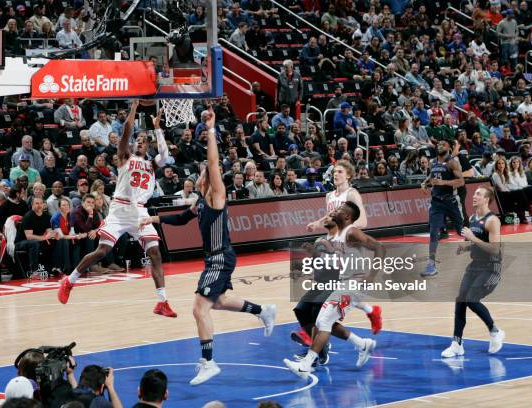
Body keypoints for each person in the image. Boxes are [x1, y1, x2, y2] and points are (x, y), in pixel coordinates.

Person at [140, 107, 276, 385]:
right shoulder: (199, 203)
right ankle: (263, 311)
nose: (200, 177)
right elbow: (179, 219)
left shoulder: (216, 197)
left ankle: (209, 362)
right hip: (216, 259)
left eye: (204, 175)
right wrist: (152, 218)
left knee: (199, 308)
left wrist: (211, 131)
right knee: (219, 301)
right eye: (200, 176)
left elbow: (214, 165)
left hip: (220, 258)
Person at [58, 102, 177, 318]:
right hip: (120, 210)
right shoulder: (125, 157)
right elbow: (126, 132)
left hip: (140, 211)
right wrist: (133, 108)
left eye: (144, 142)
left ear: (148, 147)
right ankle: (69, 280)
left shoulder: (153, 164)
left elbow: (166, 154)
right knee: (102, 251)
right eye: (138, 142)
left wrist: (157, 128)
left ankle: (162, 302)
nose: (140, 144)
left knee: (155, 254)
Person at [284, 203, 382, 378]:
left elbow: (379, 249)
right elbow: (335, 263)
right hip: (343, 284)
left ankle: (307, 365)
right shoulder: (338, 237)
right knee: (323, 321)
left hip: (354, 285)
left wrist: (372, 276)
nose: (333, 211)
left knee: (323, 321)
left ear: (347, 217)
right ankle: (362, 345)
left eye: (338, 210)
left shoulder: (352, 232)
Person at [301, 161, 381, 340]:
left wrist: (343, 229)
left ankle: (312, 330)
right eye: (334, 171)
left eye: (339, 171)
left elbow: (363, 222)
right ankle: (371, 311)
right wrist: (318, 223)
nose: (335, 174)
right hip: (334, 247)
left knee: (334, 287)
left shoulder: (352, 194)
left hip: (350, 248)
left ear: (348, 175)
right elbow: (330, 216)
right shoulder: (329, 196)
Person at [441, 186, 505, 358]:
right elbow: (477, 243)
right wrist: (466, 247)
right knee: (460, 300)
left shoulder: (492, 221)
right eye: (475, 193)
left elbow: (494, 249)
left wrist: (472, 238)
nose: (474, 196)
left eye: (479, 194)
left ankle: (495, 331)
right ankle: (457, 343)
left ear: (486, 199)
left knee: (471, 299)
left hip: (491, 268)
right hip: (475, 265)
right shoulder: (472, 217)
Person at [421, 140, 465, 276]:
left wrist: (443, 182)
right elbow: (431, 177)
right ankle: (431, 265)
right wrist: (425, 183)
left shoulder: (452, 162)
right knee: (433, 233)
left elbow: (461, 181)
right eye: (438, 144)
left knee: (461, 231)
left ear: (449, 149)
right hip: (436, 203)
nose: (440, 146)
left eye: (443, 144)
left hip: (451, 201)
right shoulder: (433, 162)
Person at [15, 197, 58, 278]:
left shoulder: (46, 216)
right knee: (34, 243)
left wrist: (54, 234)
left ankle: (53, 268)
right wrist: (45, 237)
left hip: (38, 240)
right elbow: (29, 237)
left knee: (56, 241)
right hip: (21, 242)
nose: (39, 205)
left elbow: (49, 231)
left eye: (41, 203)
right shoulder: (28, 216)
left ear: (44, 205)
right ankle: (34, 272)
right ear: (32, 205)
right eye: (36, 203)